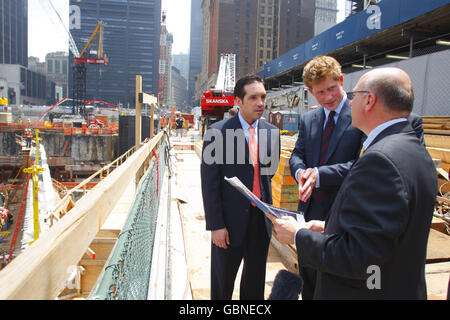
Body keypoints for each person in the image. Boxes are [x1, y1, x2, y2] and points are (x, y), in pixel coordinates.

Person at [268, 67, 438, 299]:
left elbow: (358, 257)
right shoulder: (412, 149)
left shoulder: (380, 160)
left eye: (354, 95)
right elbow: (382, 230)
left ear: (369, 100)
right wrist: (330, 227)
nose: (349, 101)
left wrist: (298, 234)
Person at [288, 55, 364, 299]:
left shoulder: (361, 115)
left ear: (341, 80)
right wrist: (301, 172)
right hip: (309, 213)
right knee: (308, 282)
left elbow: (361, 165)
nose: (328, 97)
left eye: (332, 88)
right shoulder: (310, 119)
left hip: (341, 216)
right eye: (320, 92)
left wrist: (320, 174)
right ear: (310, 92)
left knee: (335, 285)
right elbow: (297, 155)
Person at [200, 75, 280, 300]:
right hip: (228, 223)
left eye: (263, 97)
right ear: (238, 101)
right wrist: (216, 225)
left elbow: (267, 174)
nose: (260, 103)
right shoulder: (217, 133)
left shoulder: (271, 133)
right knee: (223, 282)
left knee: (254, 285)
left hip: (259, 222)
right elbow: (210, 183)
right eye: (253, 97)